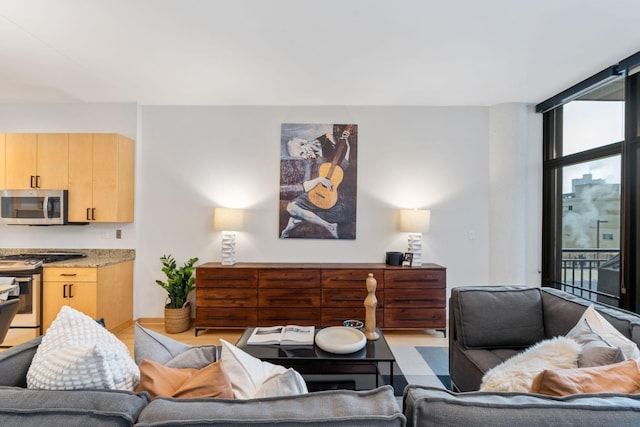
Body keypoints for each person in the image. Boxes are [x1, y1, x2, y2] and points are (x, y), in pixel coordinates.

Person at [280, 124, 353, 239]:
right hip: (311, 195)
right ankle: (328, 226)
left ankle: (298, 219)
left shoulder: (327, 141)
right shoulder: (308, 160)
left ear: (303, 144)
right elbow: (303, 185)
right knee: (291, 207)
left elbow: (342, 166)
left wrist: (347, 144)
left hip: (330, 197)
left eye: (302, 153)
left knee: (336, 213)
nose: (304, 157)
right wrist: (319, 179)